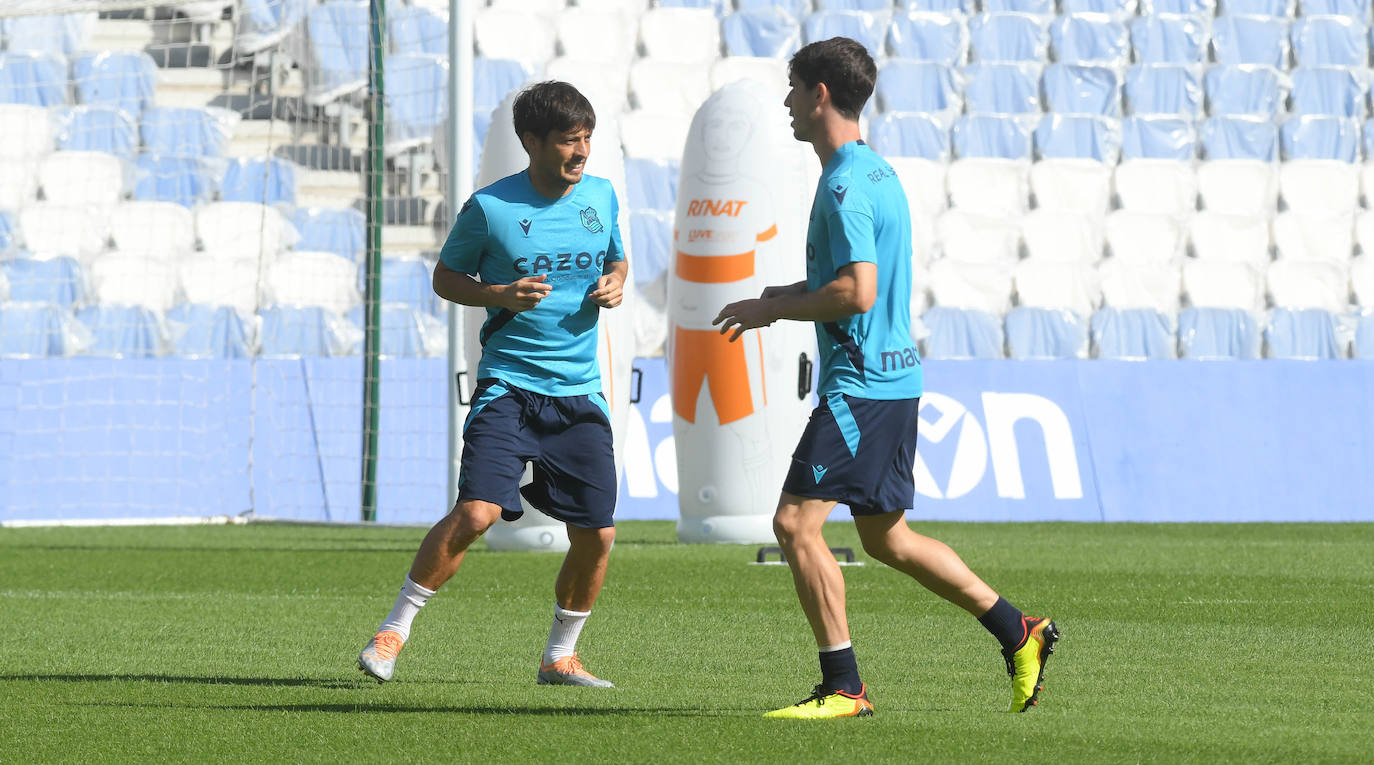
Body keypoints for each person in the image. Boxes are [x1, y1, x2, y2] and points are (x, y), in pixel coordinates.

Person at [713, 38, 1059, 719]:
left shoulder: (842, 184)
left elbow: (858, 292)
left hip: (860, 387)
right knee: (887, 538)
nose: (786, 102)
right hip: (895, 382)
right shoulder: (875, 172)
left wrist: (774, 309)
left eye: (793, 89)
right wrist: (782, 292)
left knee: (793, 523)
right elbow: (850, 279)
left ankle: (844, 686)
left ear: (818, 95)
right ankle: (1019, 631)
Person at [357, 81, 627, 688]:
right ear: (531, 142)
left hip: (580, 391)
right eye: (567, 140)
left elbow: (616, 257)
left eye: (586, 138)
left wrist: (615, 281)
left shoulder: (603, 197)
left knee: (598, 534)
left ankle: (560, 656)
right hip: (509, 385)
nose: (581, 151)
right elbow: (446, 278)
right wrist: (497, 294)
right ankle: (393, 630)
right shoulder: (490, 207)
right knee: (477, 513)